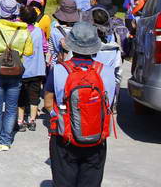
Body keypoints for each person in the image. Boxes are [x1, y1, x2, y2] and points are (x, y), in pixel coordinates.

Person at [44, 21, 116, 187]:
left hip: (65, 136)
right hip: (96, 137)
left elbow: (48, 103)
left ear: (71, 44)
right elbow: (109, 104)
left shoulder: (59, 70)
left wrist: (59, 118)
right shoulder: (107, 72)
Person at [0, 0, 33, 152]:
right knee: (11, 108)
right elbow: (29, 51)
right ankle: (6, 140)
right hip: (15, 73)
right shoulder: (23, 30)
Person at [17, 6, 47, 132]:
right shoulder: (39, 31)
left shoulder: (19, 31)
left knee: (21, 96)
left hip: (22, 70)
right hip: (37, 68)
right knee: (34, 95)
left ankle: (20, 120)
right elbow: (45, 47)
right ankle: (32, 120)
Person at [50, 0, 80, 67]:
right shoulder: (79, 30)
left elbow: (52, 51)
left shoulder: (54, 31)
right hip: (75, 65)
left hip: (59, 65)